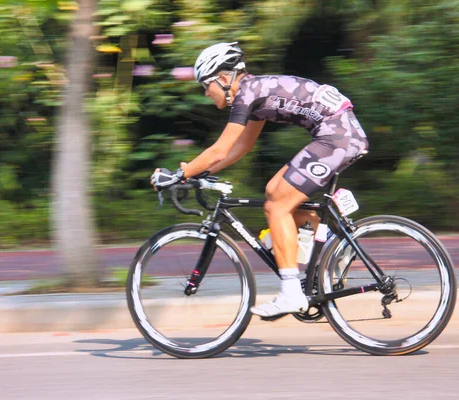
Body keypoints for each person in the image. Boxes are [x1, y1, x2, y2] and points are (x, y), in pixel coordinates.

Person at [150, 42, 369, 318]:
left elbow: (219, 149)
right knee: (274, 194)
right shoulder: (255, 92)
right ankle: (339, 246)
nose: (206, 93)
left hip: (337, 136)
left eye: (206, 86)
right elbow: (240, 147)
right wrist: (201, 171)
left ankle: (291, 292)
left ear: (223, 78)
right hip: (339, 133)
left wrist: (181, 173)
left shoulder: (247, 94)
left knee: (277, 207)